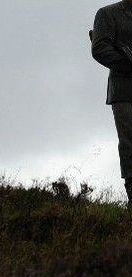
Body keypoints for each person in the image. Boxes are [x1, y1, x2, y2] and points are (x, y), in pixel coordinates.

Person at [92, 1, 132, 202]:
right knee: (130, 142)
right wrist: (127, 63)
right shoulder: (108, 14)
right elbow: (99, 47)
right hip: (125, 89)